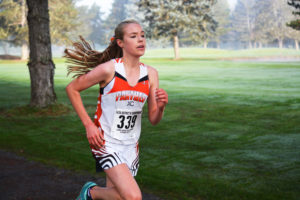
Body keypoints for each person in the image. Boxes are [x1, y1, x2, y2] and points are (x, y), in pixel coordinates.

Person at [64, 19, 168, 200]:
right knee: (133, 197)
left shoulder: (151, 74)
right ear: (120, 43)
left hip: (130, 144)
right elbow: (72, 88)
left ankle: (93, 194)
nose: (141, 40)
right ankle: (91, 192)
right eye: (133, 36)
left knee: (118, 197)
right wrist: (89, 125)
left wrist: (161, 107)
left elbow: (153, 119)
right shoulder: (109, 69)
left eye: (142, 36)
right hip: (105, 142)